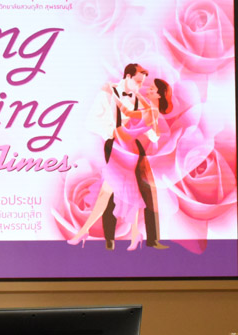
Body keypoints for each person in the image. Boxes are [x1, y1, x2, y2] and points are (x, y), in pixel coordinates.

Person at [70, 78, 173, 250]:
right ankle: (129, 235)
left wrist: (112, 96)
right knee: (118, 195)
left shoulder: (150, 112)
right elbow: (133, 112)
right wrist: (116, 91)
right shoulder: (147, 108)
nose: (148, 89)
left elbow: (130, 121)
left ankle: (86, 232)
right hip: (125, 154)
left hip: (129, 156)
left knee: (124, 195)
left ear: (158, 95)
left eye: (153, 89)